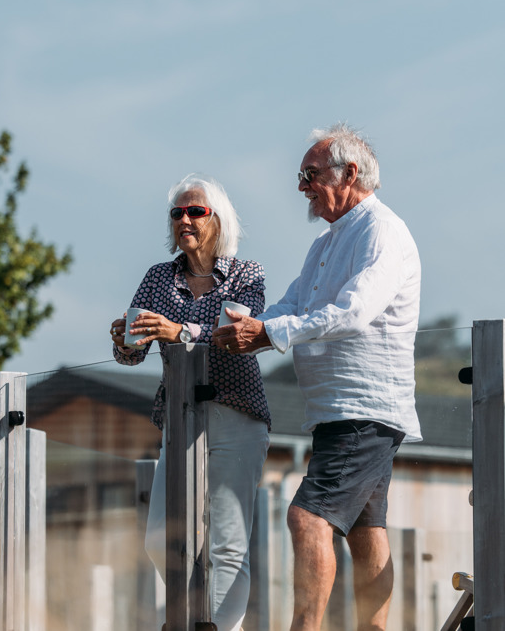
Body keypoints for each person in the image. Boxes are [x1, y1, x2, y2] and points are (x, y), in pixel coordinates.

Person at [213, 124, 421, 631]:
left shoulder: (381, 231)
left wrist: (269, 332)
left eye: (310, 174)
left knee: (307, 517)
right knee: (366, 531)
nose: (301, 186)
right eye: (300, 175)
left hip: (363, 407)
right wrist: (254, 324)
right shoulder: (328, 241)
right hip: (341, 410)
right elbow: (295, 303)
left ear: (350, 173)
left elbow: (354, 312)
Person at [109, 173, 271, 631]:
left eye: (195, 211)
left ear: (218, 220)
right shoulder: (158, 277)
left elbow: (232, 335)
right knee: (162, 536)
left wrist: (176, 331)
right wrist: (124, 338)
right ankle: (193, 618)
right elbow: (133, 353)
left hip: (236, 413)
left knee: (228, 546)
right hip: (180, 418)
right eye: (177, 212)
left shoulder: (247, 274)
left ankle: (217, 627)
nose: (184, 219)